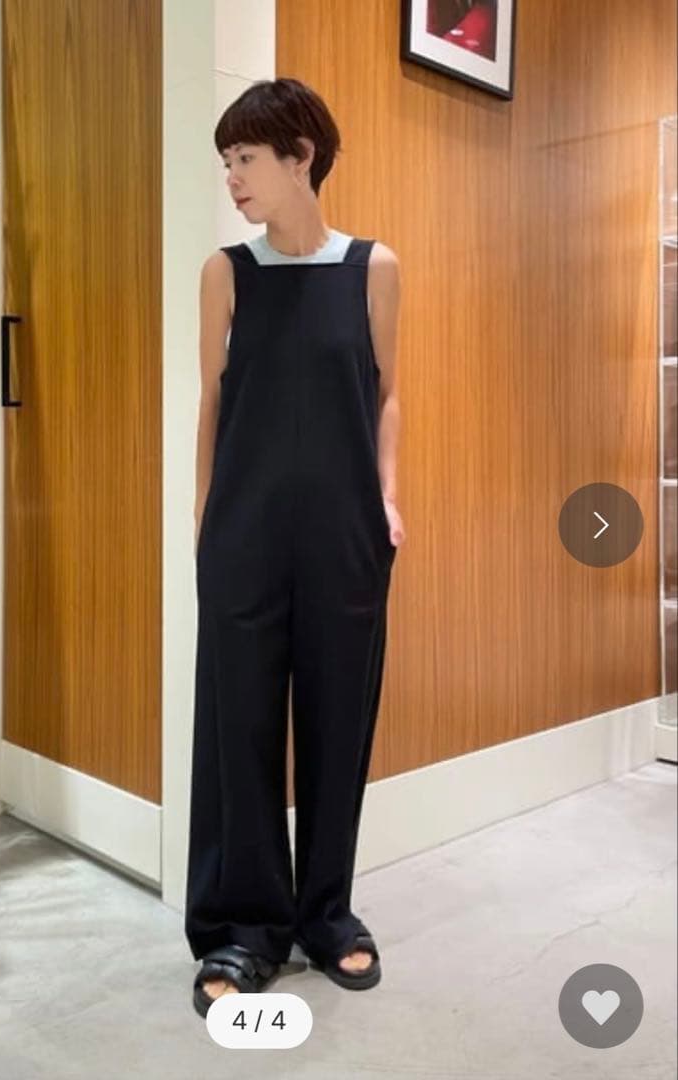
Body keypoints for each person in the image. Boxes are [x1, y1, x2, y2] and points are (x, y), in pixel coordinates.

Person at [185, 77, 406, 1019]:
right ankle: (243, 928)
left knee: (335, 725)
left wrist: (386, 497)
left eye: (245, 157)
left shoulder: (372, 267)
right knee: (236, 730)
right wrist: (204, 523)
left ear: (300, 156)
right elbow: (212, 403)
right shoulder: (226, 271)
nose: (232, 176)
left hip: (345, 532)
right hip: (242, 532)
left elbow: (386, 392)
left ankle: (325, 915)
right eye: (226, 160)